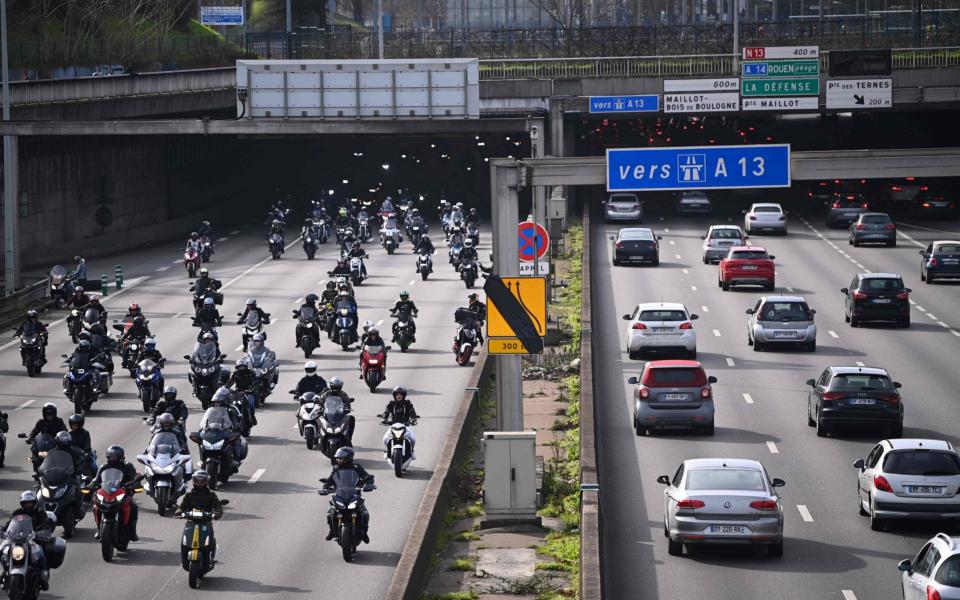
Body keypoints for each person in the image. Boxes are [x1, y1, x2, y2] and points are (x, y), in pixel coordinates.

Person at [321, 447, 373, 543]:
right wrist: (325, 488)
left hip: (354, 495)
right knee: (330, 512)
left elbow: (367, 476)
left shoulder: (356, 467)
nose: (338, 460)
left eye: (341, 458)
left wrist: (369, 484)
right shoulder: (336, 469)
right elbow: (330, 480)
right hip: (340, 495)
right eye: (338, 458)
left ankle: (364, 533)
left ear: (348, 458)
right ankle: (332, 531)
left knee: (365, 513)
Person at [90, 446, 140, 541]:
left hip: (124, 492)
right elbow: (97, 479)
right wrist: (92, 484)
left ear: (120, 457)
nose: (112, 458)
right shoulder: (104, 467)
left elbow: (135, 478)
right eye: (110, 456)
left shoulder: (127, 466)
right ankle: (98, 528)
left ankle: (132, 531)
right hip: (107, 492)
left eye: (114, 456)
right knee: (96, 506)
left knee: (133, 507)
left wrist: (135, 484)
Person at [6, 492, 50, 589]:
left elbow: (45, 525)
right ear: (22, 503)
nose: (28, 505)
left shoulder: (40, 512)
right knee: (4, 551)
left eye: (30, 503)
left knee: (41, 554)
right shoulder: (17, 512)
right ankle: (4, 571)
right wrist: (3, 530)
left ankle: (43, 576)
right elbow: (9, 525)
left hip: (33, 541)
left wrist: (43, 531)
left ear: (35, 502)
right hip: (17, 540)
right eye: (26, 503)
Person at [175, 471, 223, 558]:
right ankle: (184, 556)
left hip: (206, 522)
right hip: (191, 522)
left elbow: (217, 506)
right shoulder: (188, 495)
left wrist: (218, 513)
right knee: (184, 541)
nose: (200, 482)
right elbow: (182, 506)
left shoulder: (212, 495)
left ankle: (211, 554)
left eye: (202, 480)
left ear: (207, 481)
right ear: (193, 481)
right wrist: (179, 511)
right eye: (197, 480)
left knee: (210, 538)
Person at [380, 386, 418, 459]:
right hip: (393, 425)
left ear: (404, 395)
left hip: (405, 425)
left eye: (401, 394)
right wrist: (384, 418)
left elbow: (412, 411)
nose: (399, 396)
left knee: (413, 438)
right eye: (397, 394)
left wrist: (413, 418)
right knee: (385, 439)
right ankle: (387, 451)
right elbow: (386, 411)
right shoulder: (391, 404)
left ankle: (412, 451)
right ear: (394, 396)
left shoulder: (408, 403)